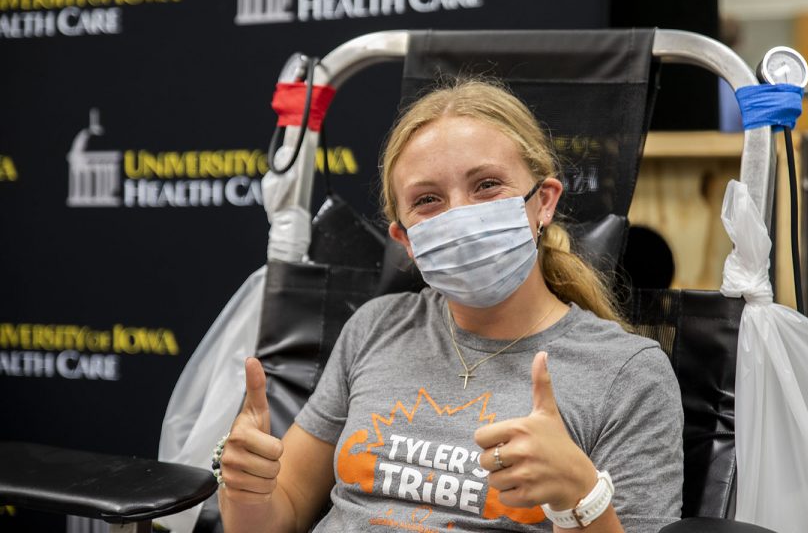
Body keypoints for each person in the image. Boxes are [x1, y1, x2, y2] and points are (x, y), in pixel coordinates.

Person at [218, 80, 684, 532]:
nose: (459, 214)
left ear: (543, 202)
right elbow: (286, 511)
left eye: (486, 186)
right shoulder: (375, 328)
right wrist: (246, 492)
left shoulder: (626, 373)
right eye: (427, 200)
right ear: (405, 240)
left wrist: (579, 497)